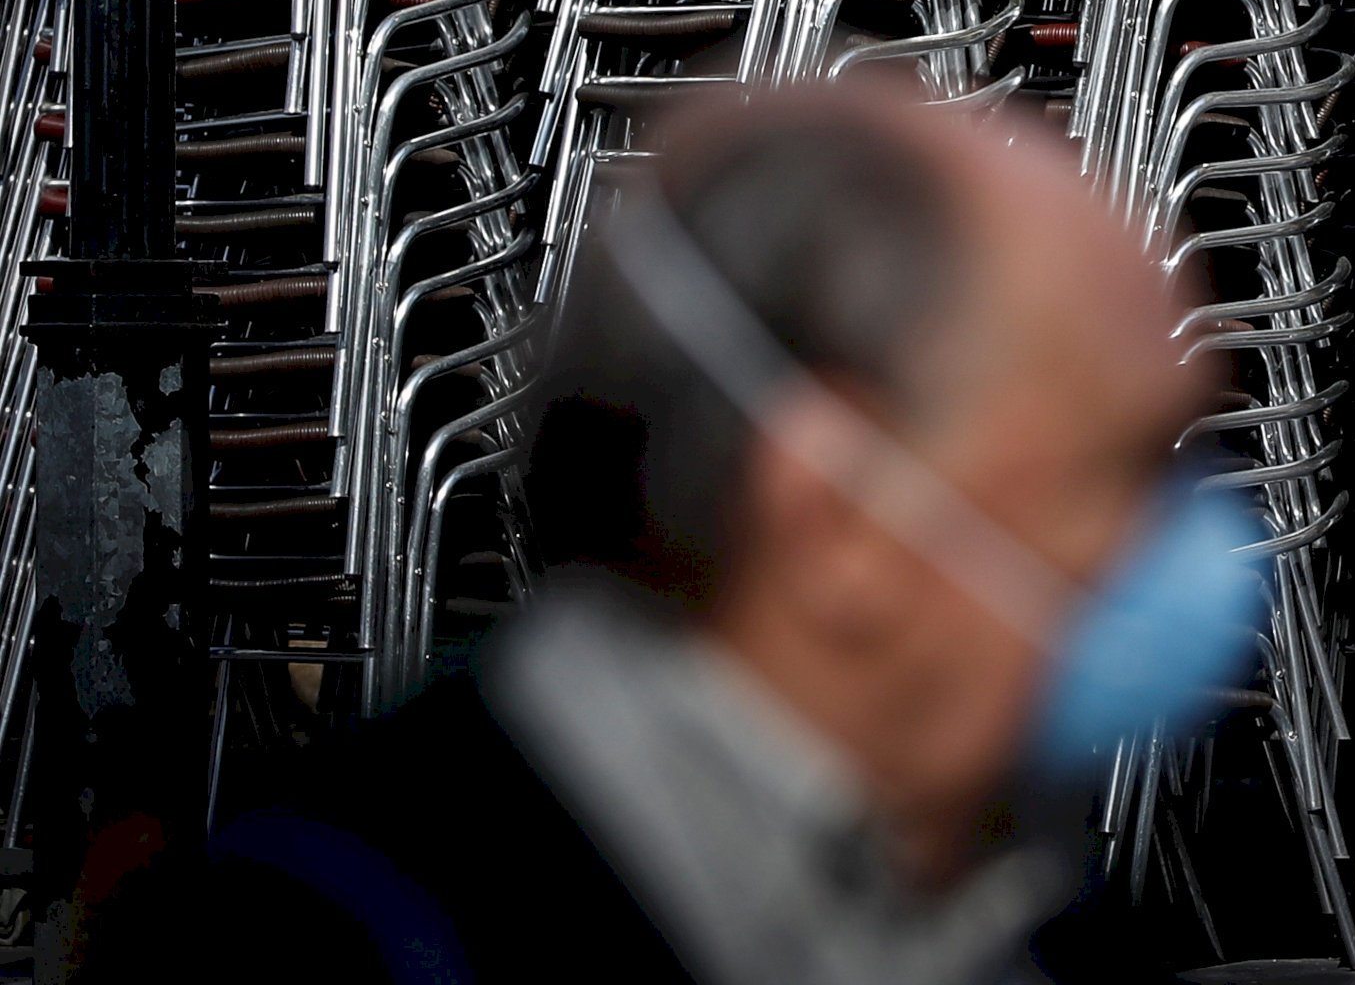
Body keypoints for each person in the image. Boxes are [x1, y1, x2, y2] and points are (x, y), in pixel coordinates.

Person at [94, 82, 1262, 984]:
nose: (1191, 550)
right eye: (1114, 475)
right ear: (839, 519)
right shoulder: (327, 940)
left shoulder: (1041, 922)